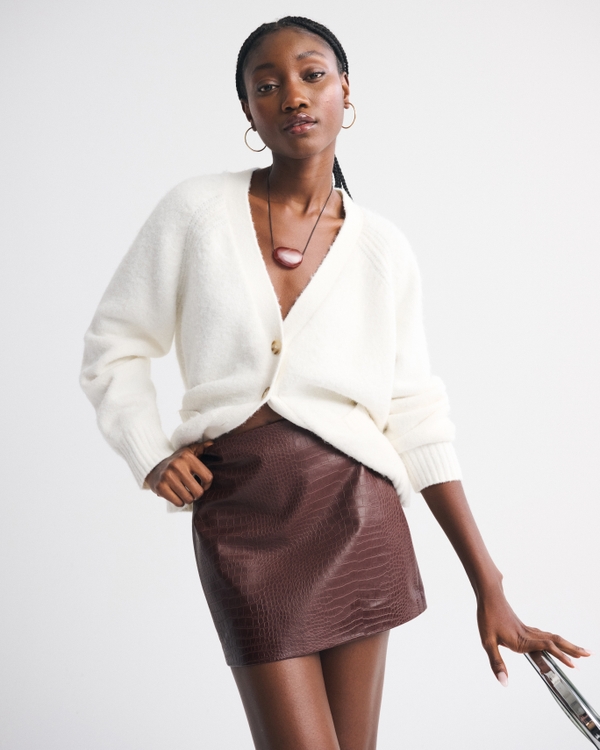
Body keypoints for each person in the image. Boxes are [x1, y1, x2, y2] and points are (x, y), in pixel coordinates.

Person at [80, 16, 590, 750]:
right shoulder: (195, 213)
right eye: (267, 85)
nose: (293, 94)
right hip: (243, 515)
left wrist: (490, 585)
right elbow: (114, 345)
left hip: (359, 514)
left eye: (312, 75)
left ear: (345, 92)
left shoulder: (383, 248)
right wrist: (149, 451)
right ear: (249, 111)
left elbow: (416, 415)